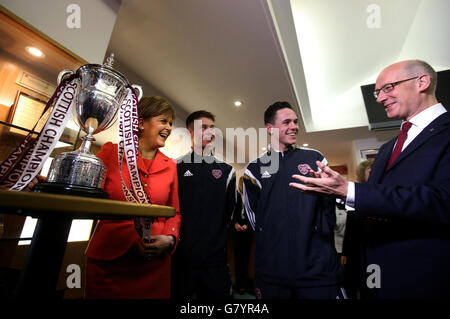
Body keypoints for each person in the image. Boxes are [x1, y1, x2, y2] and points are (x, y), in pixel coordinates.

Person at [290, 60, 450, 299]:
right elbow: (376, 202)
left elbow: (442, 201)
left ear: (422, 82)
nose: (379, 98)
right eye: (378, 92)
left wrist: (351, 190)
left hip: (426, 278)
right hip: (376, 276)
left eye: (388, 88)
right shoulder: (388, 148)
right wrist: (338, 193)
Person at [242, 101, 342, 299]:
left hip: (316, 267)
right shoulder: (254, 169)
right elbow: (253, 216)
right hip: (273, 270)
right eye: (286, 122)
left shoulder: (315, 158)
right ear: (270, 128)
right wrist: (272, 239)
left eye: (295, 122)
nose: (294, 126)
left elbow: (329, 206)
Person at [84, 96, 181, 299]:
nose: (169, 128)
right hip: (110, 260)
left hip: (154, 265)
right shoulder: (111, 152)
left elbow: (175, 212)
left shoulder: (170, 165)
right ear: (140, 123)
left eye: (171, 123)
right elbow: (83, 187)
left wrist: (170, 238)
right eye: (163, 121)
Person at [172, 110, 236, 299]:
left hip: (215, 261)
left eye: (212, 127)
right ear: (190, 132)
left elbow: (229, 214)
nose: (210, 132)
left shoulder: (227, 171)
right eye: (203, 127)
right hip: (181, 258)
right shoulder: (175, 167)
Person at [341, 159, 373, 299]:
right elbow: (350, 226)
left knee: (373, 283)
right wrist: (345, 253)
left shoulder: (387, 191)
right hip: (357, 249)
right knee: (356, 282)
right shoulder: (357, 193)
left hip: (375, 247)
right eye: (370, 171)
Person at [232, 176, 254, 295]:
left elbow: (253, 211)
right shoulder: (235, 195)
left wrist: (248, 225)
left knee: (246, 259)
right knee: (237, 258)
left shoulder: (250, 195)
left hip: (247, 230)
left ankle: (244, 284)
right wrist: (235, 223)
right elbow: (231, 210)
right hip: (237, 231)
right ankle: (238, 284)